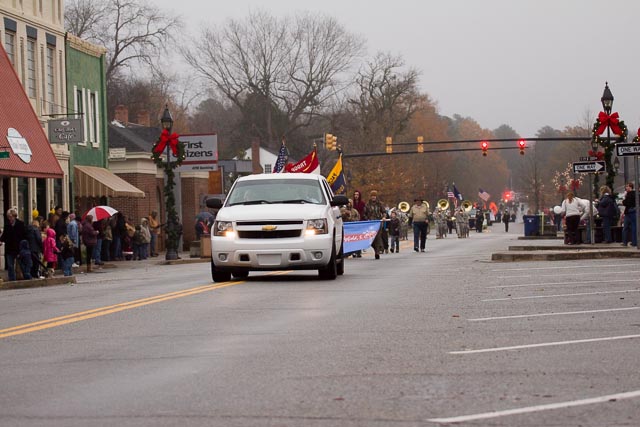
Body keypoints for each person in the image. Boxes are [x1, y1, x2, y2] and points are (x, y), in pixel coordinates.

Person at [0, 208, 27, 281]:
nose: (9, 218)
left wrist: (24, 245)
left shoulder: (20, 224)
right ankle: (12, 279)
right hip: (9, 248)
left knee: (21, 264)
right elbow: (4, 235)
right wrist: (1, 240)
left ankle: (26, 276)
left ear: (14, 216)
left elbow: (24, 235)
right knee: (10, 265)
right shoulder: (7, 225)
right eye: (8, 217)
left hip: (18, 248)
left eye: (11, 217)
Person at [363, 190, 386, 259]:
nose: (373, 197)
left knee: (378, 237)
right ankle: (376, 248)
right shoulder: (367, 204)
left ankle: (377, 252)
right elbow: (364, 213)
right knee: (371, 238)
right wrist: (367, 219)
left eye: (374, 196)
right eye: (372, 196)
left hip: (378, 222)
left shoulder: (380, 204)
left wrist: (384, 217)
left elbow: (384, 211)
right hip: (370, 223)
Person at [621, 182, 637, 247]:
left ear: (630, 187)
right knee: (634, 227)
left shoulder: (629, 194)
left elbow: (626, 203)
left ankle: (625, 241)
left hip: (628, 211)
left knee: (625, 228)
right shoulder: (635, 194)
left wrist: (624, 200)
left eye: (627, 186)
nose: (626, 188)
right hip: (633, 211)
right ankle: (634, 241)